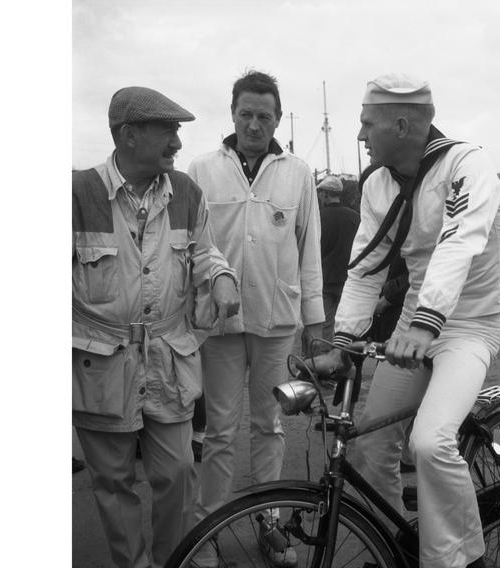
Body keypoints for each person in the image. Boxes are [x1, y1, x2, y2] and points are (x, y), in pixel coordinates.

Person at [309, 73, 500, 568]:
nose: (359, 135)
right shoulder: (377, 184)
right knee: (371, 443)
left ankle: (459, 560)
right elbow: (365, 268)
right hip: (414, 329)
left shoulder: (467, 163)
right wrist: (344, 342)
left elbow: (458, 244)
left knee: (429, 441)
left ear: (400, 125)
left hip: (468, 325)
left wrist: (425, 324)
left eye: (365, 123)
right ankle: (399, 545)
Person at [72, 86, 239, 568]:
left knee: (179, 471)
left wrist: (222, 278)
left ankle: (173, 561)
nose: (177, 143)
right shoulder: (77, 194)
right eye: (167, 130)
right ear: (128, 134)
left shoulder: (186, 191)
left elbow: (206, 252)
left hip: (169, 358)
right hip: (99, 364)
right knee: (113, 484)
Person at [186, 70, 324, 566]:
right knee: (219, 430)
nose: (253, 124)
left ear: (277, 118)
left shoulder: (298, 172)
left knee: (269, 424)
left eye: (264, 116)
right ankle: (208, 528)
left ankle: (268, 525)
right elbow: (193, 245)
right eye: (245, 114)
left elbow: (309, 249)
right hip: (220, 324)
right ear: (232, 115)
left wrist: (315, 319)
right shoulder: (202, 170)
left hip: (277, 319)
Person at [317, 175, 361, 341]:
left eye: (321, 193)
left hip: (325, 279)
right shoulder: (355, 217)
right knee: (346, 323)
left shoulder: (318, 217)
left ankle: (324, 362)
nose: (320, 197)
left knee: (325, 323)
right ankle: (343, 358)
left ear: (326, 194)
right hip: (349, 279)